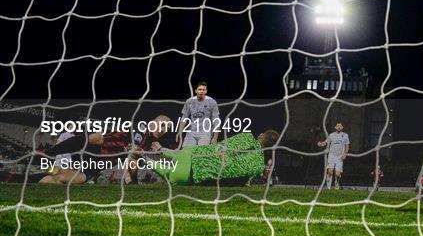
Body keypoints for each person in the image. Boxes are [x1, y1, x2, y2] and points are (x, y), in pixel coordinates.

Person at [39, 115, 171, 185]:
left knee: (65, 179)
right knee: (98, 138)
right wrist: (134, 180)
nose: (162, 129)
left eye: (166, 129)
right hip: (94, 149)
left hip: (97, 164)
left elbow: (133, 159)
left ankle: (36, 180)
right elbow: (133, 152)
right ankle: (52, 151)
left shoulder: (148, 144)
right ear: (154, 121)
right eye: (162, 125)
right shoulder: (142, 127)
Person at [150, 130, 279, 185]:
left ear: (261, 135)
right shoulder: (258, 166)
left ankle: (162, 152)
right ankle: (145, 161)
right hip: (188, 176)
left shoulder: (246, 137)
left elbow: (222, 147)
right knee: (167, 172)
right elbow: (243, 181)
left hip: (190, 153)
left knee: (191, 154)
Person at [176, 82, 220, 148]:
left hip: (205, 132)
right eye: (199, 89)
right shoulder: (189, 101)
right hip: (191, 132)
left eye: (203, 90)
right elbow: (184, 117)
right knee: (186, 151)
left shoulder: (212, 102)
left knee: (201, 153)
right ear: (195, 91)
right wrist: (180, 132)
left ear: (206, 91)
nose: (201, 91)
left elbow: (216, 120)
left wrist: (215, 137)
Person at [317, 123, 349, 190]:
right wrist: (320, 144)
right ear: (335, 127)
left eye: (340, 126)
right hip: (331, 155)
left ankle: (337, 183)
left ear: (342, 127)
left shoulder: (345, 135)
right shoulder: (331, 135)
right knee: (330, 172)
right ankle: (328, 187)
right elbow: (325, 142)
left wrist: (345, 154)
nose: (339, 127)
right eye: (338, 126)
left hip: (340, 157)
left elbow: (347, 146)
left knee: (337, 174)